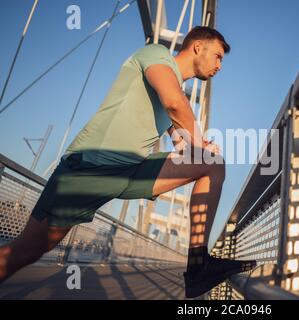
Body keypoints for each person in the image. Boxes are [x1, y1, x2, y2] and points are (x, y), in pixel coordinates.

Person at [0, 26, 256, 298]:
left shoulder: (172, 91)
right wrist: (200, 144)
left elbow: (183, 142)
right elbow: (174, 102)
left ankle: (198, 265)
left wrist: (201, 149)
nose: (219, 65)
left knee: (213, 164)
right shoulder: (156, 55)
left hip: (129, 171)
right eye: (217, 56)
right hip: (88, 169)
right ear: (197, 47)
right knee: (26, 252)